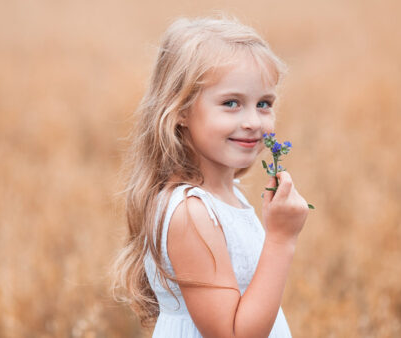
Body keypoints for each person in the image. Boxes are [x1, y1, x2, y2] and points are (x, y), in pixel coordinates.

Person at [111, 14, 310, 338]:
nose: (253, 121)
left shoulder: (229, 193)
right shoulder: (191, 213)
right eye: (231, 103)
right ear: (180, 111)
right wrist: (281, 239)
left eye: (263, 103)